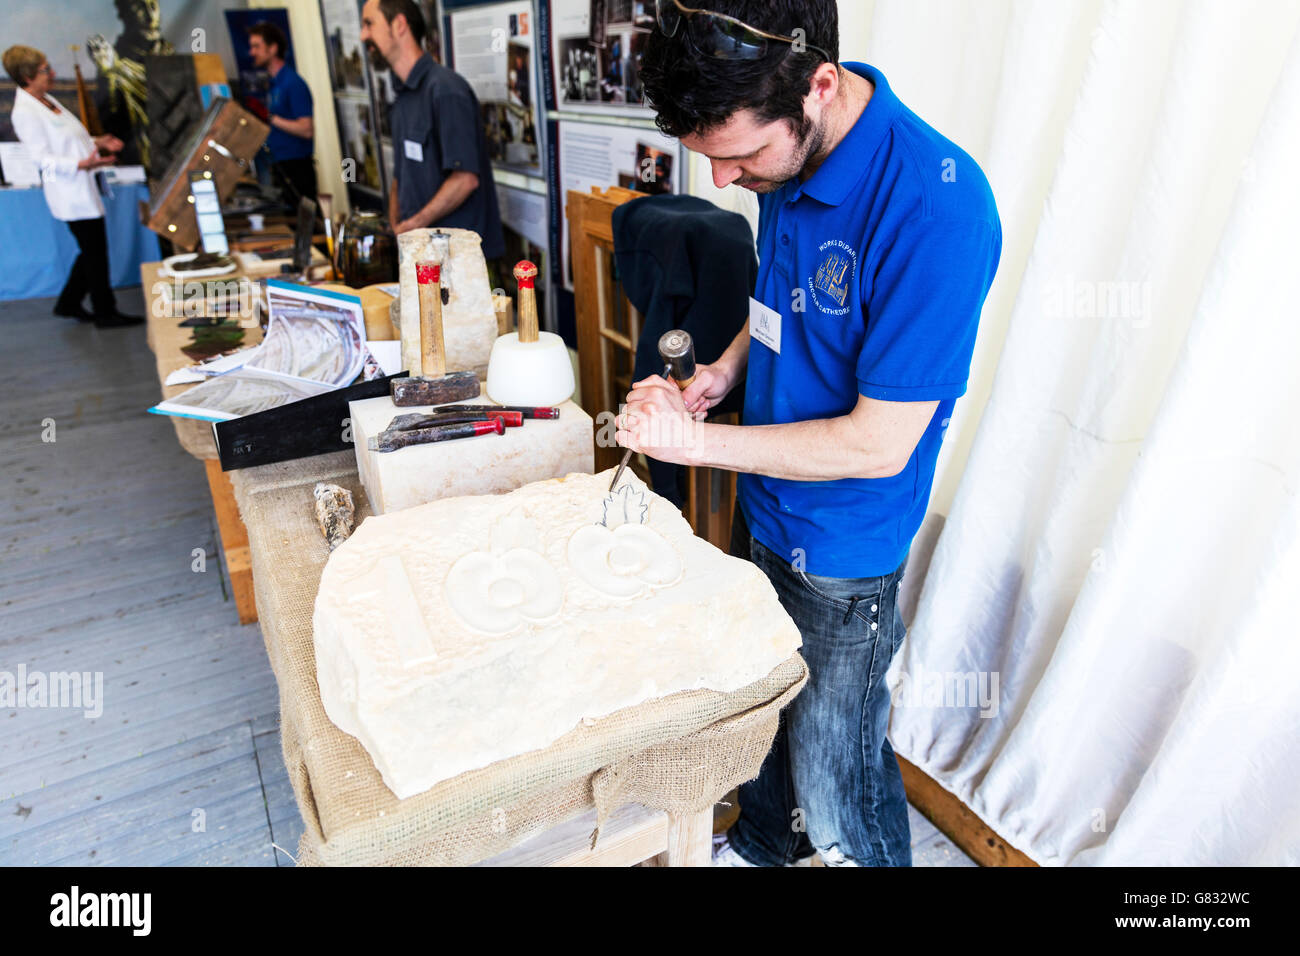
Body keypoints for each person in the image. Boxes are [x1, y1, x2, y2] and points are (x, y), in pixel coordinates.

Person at [621, 0, 1002, 866]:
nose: (724, 182)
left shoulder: (937, 207)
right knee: (766, 718)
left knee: (840, 784)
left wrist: (698, 448)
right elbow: (778, 306)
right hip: (768, 505)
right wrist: (720, 374)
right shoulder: (789, 161)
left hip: (844, 549)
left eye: (739, 157)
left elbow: (878, 443)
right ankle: (759, 845)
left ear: (819, 85)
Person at [5, 44, 141, 328]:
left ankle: (68, 303)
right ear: (28, 76)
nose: (52, 73)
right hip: (69, 190)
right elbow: (42, 159)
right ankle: (105, 312)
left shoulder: (47, 100)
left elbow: (71, 139)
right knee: (95, 251)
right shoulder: (26, 112)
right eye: (45, 70)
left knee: (89, 250)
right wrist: (82, 165)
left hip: (83, 185)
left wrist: (99, 141)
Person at [359, 0, 504, 258]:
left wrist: (413, 225)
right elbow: (400, 175)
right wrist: (396, 226)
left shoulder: (446, 90)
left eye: (369, 24)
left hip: (460, 262)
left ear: (400, 25)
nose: (363, 36)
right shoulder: (402, 95)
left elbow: (465, 180)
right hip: (422, 254)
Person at [246, 21, 317, 209]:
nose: (252, 52)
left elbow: (306, 129)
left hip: (297, 168)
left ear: (273, 48)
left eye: (256, 46)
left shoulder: (292, 83)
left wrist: (270, 118)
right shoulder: (275, 84)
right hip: (280, 165)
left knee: (303, 223)